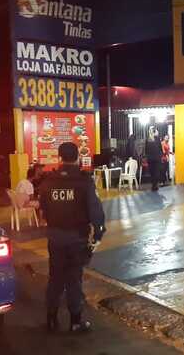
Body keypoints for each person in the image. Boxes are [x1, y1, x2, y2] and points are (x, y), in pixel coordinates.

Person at [38, 142, 106, 333]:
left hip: (55, 238)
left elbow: (43, 207)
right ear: (77, 157)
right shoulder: (84, 180)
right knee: (74, 279)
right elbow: (95, 210)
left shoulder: (48, 180)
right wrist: (99, 232)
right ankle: (75, 322)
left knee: (55, 278)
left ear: (59, 157)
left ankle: (51, 319)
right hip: (76, 238)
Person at [145, 127, 163, 191]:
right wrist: (161, 155)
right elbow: (160, 149)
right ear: (155, 132)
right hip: (157, 159)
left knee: (152, 172)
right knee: (156, 172)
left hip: (150, 159)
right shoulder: (157, 139)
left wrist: (147, 157)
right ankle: (155, 185)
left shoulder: (147, 139)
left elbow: (146, 150)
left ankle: (153, 185)